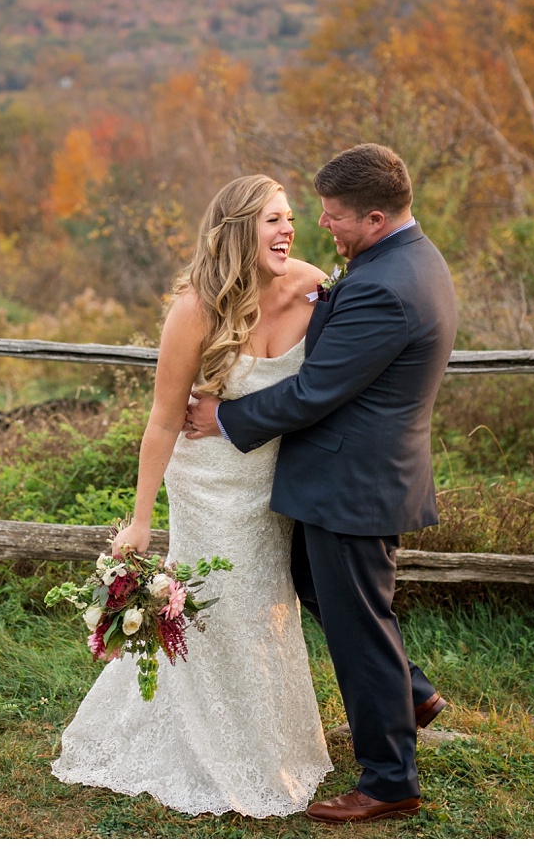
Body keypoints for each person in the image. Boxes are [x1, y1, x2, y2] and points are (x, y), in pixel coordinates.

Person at [184, 143, 458, 824]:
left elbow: (313, 391)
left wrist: (225, 416)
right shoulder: (407, 259)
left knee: (358, 627)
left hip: (352, 483)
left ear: (372, 215)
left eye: (334, 216)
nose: (322, 226)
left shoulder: (382, 287)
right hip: (358, 474)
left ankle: (390, 779)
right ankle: (412, 693)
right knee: (318, 587)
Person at [51, 174, 334, 818]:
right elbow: (161, 418)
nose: (288, 229)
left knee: (267, 603)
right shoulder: (195, 310)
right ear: (238, 230)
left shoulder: (316, 287)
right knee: (216, 605)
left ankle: (273, 740)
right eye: (272, 220)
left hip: (274, 480)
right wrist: (141, 519)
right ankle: (207, 744)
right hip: (206, 481)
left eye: (291, 218)